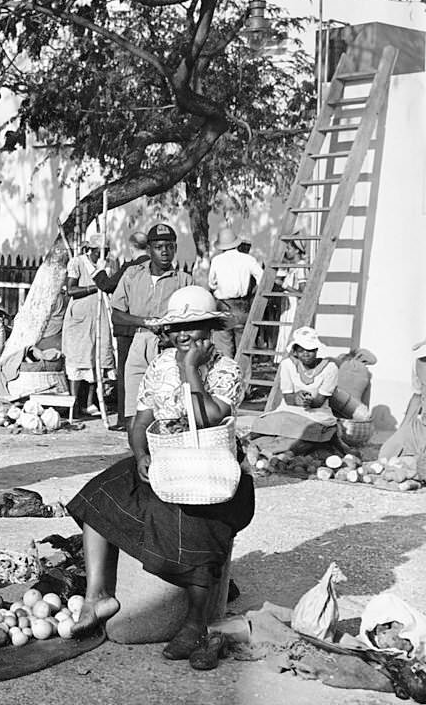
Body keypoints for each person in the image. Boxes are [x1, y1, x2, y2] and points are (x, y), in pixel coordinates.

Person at [65, 287, 251, 669]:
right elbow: (142, 419)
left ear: (210, 329)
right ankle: (97, 595)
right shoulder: (161, 364)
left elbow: (209, 418)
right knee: (100, 494)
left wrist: (189, 371)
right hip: (166, 460)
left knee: (198, 521)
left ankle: (196, 621)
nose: (184, 335)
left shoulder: (226, 368)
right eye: (177, 328)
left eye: (193, 326)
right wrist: (140, 454)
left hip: (210, 468)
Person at [110, 223, 192, 431]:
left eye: (170, 246)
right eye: (159, 246)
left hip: (169, 347)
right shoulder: (132, 274)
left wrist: (172, 335)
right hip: (139, 342)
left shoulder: (184, 280)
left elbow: (192, 321)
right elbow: (117, 315)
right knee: (133, 406)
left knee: (167, 407)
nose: (165, 251)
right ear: (149, 250)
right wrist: (145, 322)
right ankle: (136, 455)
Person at [248, 326, 343, 455]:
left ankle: (270, 451)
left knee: (308, 433)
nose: (306, 353)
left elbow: (319, 402)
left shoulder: (330, 368)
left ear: (316, 350)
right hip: (289, 409)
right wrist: (297, 398)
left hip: (316, 414)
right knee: (262, 425)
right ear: (295, 352)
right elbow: (288, 399)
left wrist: (309, 402)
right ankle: (259, 447)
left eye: (310, 350)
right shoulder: (287, 365)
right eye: (301, 350)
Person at [62, 234, 115, 416]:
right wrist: (96, 286)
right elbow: (71, 290)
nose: (103, 256)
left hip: (100, 316)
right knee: (78, 359)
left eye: (105, 252)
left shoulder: (108, 265)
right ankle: (74, 403)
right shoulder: (77, 263)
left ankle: (91, 402)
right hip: (80, 320)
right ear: (90, 250)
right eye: (99, 253)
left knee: (96, 358)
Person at [110, 231, 150, 430]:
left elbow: (108, 285)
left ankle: (125, 418)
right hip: (144, 328)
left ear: (131, 247)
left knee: (126, 373)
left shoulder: (132, 268)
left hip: (128, 328)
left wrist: (98, 272)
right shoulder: (153, 267)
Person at [207, 227, 263, 358]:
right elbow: (262, 278)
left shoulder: (217, 260)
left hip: (223, 305)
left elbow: (211, 284)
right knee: (244, 348)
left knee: (224, 348)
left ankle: (227, 376)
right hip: (242, 306)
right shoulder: (248, 259)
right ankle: (244, 376)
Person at [376, 339, 426, 480]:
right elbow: (417, 396)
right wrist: (403, 428)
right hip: (422, 425)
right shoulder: (419, 363)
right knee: (385, 455)